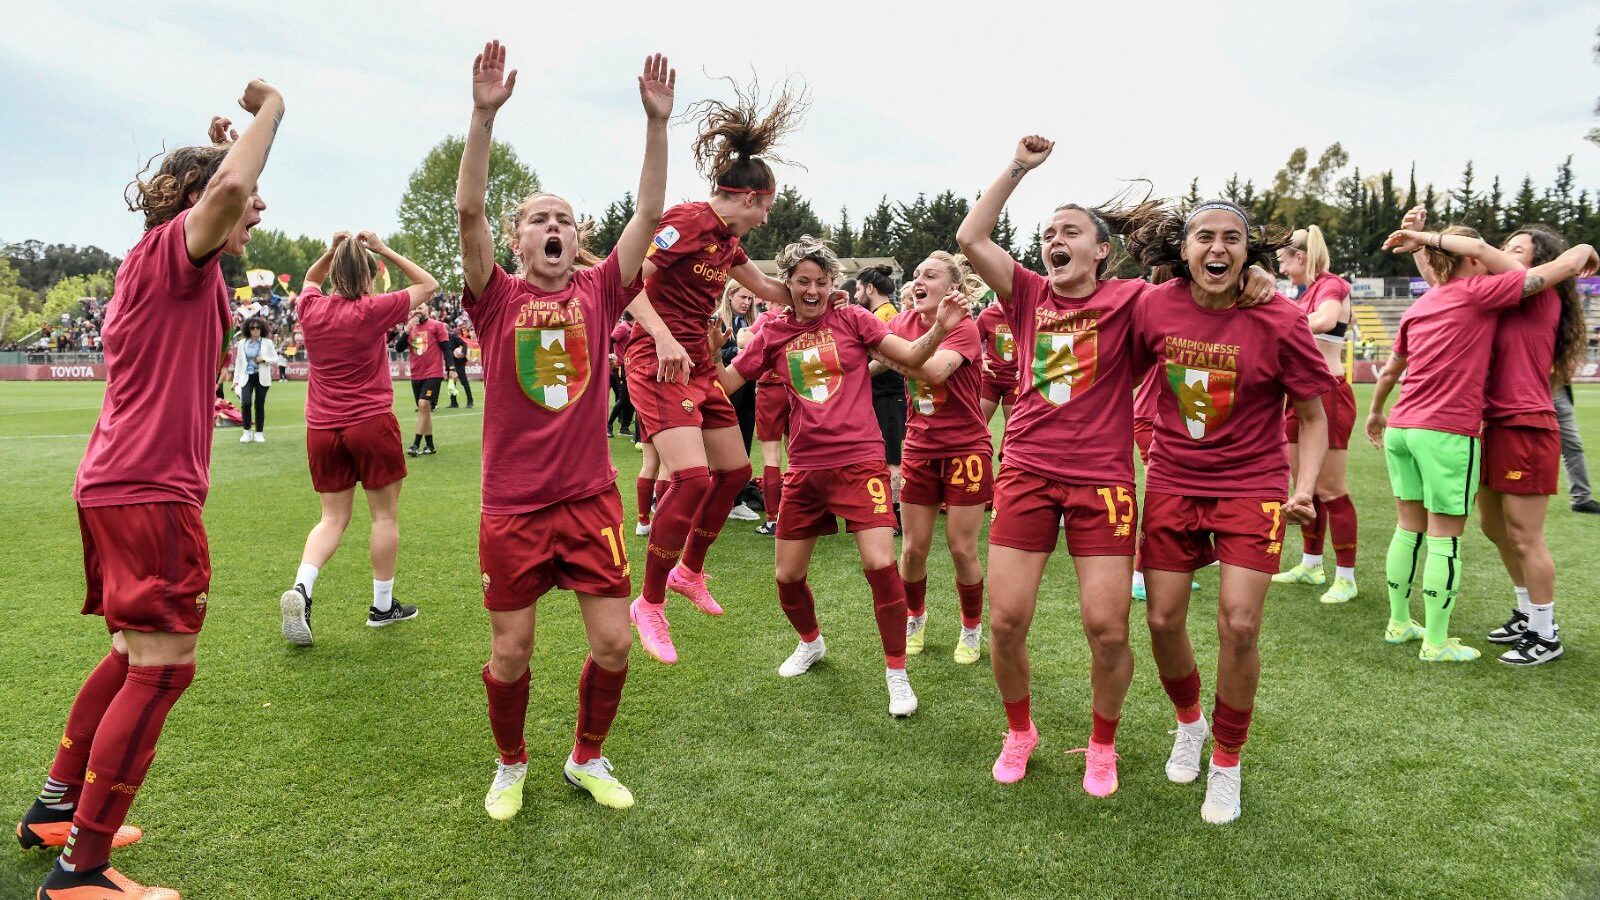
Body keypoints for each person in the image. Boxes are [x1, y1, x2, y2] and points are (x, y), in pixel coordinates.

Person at [18, 83, 282, 900]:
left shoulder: (158, 261)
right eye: (243, 202)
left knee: (131, 651)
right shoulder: (177, 252)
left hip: (114, 482)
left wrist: (228, 147)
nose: (258, 210)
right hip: (147, 489)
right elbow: (232, 190)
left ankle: (54, 811)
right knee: (163, 668)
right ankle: (82, 870)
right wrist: (273, 110)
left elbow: (230, 188)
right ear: (199, 204)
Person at [457, 40, 671, 818]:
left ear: (579, 241)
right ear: (518, 242)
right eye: (539, 219)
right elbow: (469, 210)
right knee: (512, 653)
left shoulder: (602, 288)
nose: (554, 227)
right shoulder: (496, 298)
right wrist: (482, 119)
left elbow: (648, 213)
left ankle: (587, 757)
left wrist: (656, 126)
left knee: (614, 643)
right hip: (511, 507)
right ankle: (510, 764)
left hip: (588, 502)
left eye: (566, 220)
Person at [1115, 196, 1335, 825]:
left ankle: (1227, 763)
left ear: (1248, 251)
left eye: (1232, 238)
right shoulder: (1153, 306)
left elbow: (1313, 416)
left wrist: (1305, 484)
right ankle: (1190, 723)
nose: (1218, 248)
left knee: (1240, 626)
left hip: (1253, 486)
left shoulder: (1279, 317)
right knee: (1160, 620)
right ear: (1182, 252)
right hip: (1174, 482)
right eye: (1204, 237)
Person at [718, 236, 970, 717]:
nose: (812, 290)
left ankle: (896, 673)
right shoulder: (771, 331)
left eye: (821, 282)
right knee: (787, 576)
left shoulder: (853, 318)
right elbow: (729, 382)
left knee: (880, 565)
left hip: (860, 461)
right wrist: (705, 354)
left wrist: (939, 330)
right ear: (787, 284)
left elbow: (914, 358)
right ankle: (810, 643)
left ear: (835, 284)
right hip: (806, 467)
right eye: (802, 282)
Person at [623, 75, 815, 663]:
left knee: (733, 473)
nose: (764, 221)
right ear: (750, 198)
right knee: (693, 479)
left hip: (699, 364)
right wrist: (661, 337)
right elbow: (626, 282)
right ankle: (648, 602)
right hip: (658, 360)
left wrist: (815, 291)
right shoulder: (686, 220)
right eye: (767, 209)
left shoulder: (728, 243)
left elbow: (769, 289)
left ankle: (688, 572)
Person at [1369, 224, 1596, 662]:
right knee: (1495, 529)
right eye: (1502, 246)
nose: (1500, 253)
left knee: (1525, 534)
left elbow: (1476, 257)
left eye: (1514, 249)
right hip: (1483, 424)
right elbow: (1447, 282)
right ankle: (1527, 613)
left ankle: (1546, 632)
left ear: (1538, 261)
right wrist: (1422, 244)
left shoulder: (1537, 292)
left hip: (1522, 422)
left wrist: (1586, 248)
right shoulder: (1488, 294)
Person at [278, 230, 438, 647]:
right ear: (369, 276)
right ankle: (382, 607)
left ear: (334, 273)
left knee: (331, 519)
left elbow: (311, 278)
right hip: (370, 421)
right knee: (384, 517)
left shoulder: (311, 308)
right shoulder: (372, 309)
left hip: (321, 427)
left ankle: (302, 588)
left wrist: (330, 250)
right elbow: (428, 284)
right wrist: (383, 250)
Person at [883, 252, 991, 665]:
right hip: (919, 448)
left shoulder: (965, 327)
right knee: (912, 549)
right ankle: (915, 618)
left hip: (966, 448)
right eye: (916, 275)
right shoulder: (902, 324)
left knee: (962, 549)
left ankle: (971, 627)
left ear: (953, 289)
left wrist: (886, 357)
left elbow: (933, 373)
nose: (918, 281)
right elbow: (868, 348)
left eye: (930, 275)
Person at [1270, 225, 1361, 603]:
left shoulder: (1331, 284)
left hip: (1330, 394)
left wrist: (1275, 328)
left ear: (1300, 257)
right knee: (1305, 489)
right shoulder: (1306, 291)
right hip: (1301, 398)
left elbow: (1325, 321)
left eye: (1282, 259)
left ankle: (1346, 577)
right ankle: (1310, 564)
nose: (1279, 267)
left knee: (1330, 489)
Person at [857, 264, 906, 530]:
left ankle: (896, 517)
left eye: (857, 289)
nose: (854, 295)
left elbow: (888, 360)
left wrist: (858, 376)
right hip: (882, 395)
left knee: (892, 457)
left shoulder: (886, 314)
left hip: (890, 395)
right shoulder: (879, 312)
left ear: (870, 288)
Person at [718, 282, 762, 521]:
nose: (747, 303)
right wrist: (736, 351)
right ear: (730, 295)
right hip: (723, 391)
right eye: (743, 297)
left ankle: (736, 500)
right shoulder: (717, 321)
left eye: (750, 299)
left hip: (747, 391)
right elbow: (708, 351)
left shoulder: (753, 323)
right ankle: (719, 499)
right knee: (719, 447)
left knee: (743, 445)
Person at [748, 304, 789, 536]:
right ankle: (807, 514)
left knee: (772, 457)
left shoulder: (769, 315)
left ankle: (773, 519)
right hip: (797, 385)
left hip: (770, 388)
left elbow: (745, 339)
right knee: (799, 456)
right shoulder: (805, 312)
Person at [403, 306, 448, 456]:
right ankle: (430, 445)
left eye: (421, 307)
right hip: (416, 375)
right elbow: (398, 347)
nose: (417, 310)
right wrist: (407, 329)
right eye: (415, 308)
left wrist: (452, 367)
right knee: (425, 409)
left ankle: (415, 444)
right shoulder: (411, 328)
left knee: (423, 405)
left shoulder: (437, 325)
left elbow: (446, 348)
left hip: (433, 373)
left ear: (427, 310)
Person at [230, 315, 278, 443]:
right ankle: (246, 431)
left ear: (261, 329)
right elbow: (239, 363)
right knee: (245, 403)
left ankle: (259, 433)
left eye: (257, 328)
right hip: (246, 377)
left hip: (262, 377)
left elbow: (275, 359)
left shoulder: (267, 343)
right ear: (248, 329)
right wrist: (235, 381)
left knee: (259, 405)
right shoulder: (241, 343)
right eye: (252, 328)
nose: (255, 330)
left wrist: (264, 359)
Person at [445, 326, 474, 409]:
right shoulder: (441, 339)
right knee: (451, 383)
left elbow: (464, 344)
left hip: (458, 363)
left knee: (464, 382)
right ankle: (454, 403)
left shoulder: (453, 337)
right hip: (449, 364)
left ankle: (470, 401)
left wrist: (463, 353)